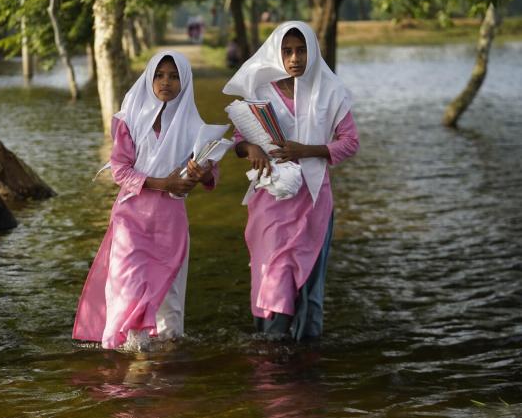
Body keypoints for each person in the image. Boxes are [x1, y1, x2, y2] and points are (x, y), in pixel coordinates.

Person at [222, 21, 359, 341]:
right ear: (277, 54)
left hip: (313, 200)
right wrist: (251, 148)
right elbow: (239, 141)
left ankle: (306, 352)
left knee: (310, 279)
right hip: (271, 199)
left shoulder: (330, 92)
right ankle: (272, 345)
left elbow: (350, 142)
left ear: (312, 52)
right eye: (287, 51)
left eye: (301, 50)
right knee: (271, 272)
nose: (295, 57)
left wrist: (306, 150)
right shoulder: (260, 93)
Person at [73, 50, 217, 350]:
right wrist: (163, 182)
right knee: (129, 289)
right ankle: (131, 363)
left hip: (171, 223)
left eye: (175, 76)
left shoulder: (195, 127)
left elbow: (209, 175)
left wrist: (199, 172)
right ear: (150, 78)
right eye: (160, 75)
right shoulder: (130, 121)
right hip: (131, 220)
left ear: (185, 82)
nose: (166, 82)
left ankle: (164, 376)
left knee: (170, 302)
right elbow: (120, 171)